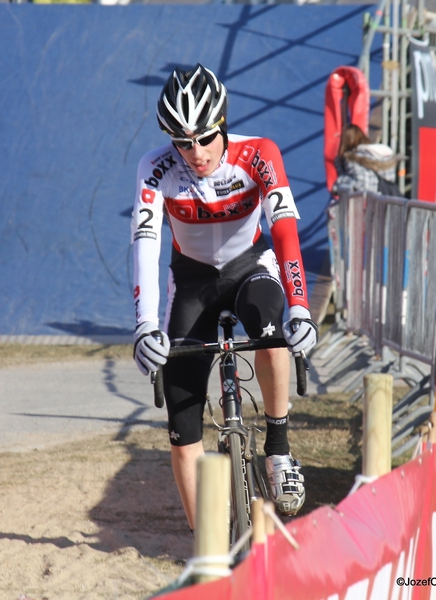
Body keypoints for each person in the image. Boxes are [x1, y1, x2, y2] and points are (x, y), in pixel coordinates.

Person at [131, 64, 318, 530]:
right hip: (191, 282)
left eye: (204, 138)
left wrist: (301, 307)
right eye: (182, 141)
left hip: (249, 269)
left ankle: (277, 449)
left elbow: (286, 231)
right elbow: (146, 241)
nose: (194, 153)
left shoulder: (259, 154)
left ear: (223, 125)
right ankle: (206, 551)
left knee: (274, 333)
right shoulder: (156, 168)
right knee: (182, 426)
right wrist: (144, 324)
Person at [332, 123, 399, 195]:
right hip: (383, 199)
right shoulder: (376, 154)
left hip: (366, 202)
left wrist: (340, 182)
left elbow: (361, 184)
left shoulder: (352, 158)